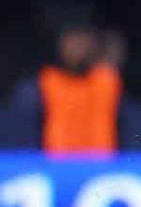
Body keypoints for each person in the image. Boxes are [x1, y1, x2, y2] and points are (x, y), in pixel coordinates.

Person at [23, 25, 123, 156]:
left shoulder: (107, 80)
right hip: (57, 162)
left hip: (100, 163)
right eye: (71, 42)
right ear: (60, 46)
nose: (77, 48)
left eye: (82, 42)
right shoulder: (46, 80)